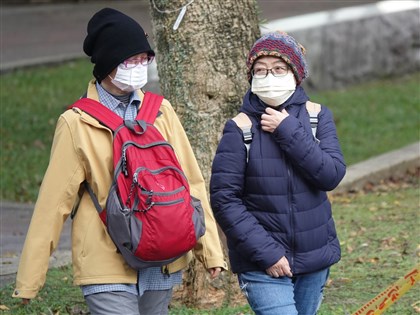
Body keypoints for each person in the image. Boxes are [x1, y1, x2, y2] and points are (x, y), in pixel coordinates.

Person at [12, 8, 227, 315]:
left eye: (144, 59)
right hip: (105, 259)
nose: (139, 67)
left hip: (162, 253)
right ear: (109, 63)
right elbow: (53, 202)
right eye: (131, 60)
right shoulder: (77, 123)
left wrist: (210, 253)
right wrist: (29, 279)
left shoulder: (161, 112)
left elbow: (190, 181)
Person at [210, 32, 346, 315]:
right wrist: (268, 254)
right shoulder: (240, 127)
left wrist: (289, 131)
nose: (269, 76)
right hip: (262, 262)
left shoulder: (316, 116)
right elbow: (225, 199)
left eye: (278, 69)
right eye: (260, 70)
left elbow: (330, 175)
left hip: (314, 257)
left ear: (296, 74)